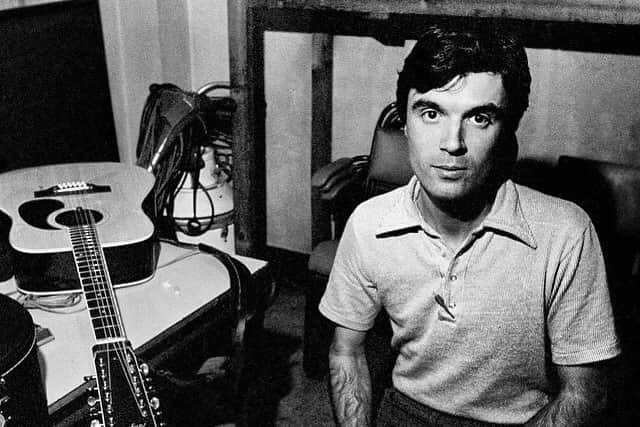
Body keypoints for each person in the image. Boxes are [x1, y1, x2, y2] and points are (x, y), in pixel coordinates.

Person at [319, 22, 620, 427]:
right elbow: (346, 353)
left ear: (508, 132)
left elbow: (586, 391)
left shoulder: (566, 232)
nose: (452, 143)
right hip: (404, 410)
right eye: (430, 113)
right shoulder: (369, 224)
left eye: (479, 118)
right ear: (404, 124)